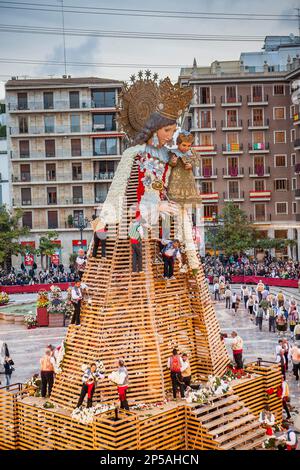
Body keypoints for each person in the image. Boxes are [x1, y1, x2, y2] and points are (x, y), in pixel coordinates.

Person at [167, 130, 200, 205]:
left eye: (189, 146)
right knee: (176, 199)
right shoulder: (173, 152)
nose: (186, 148)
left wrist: (191, 165)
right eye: (184, 145)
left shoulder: (192, 152)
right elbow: (169, 163)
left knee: (188, 201)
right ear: (178, 144)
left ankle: (186, 213)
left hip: (188, 177)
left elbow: (197, 160)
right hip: (176, 177)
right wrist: (173, 162)